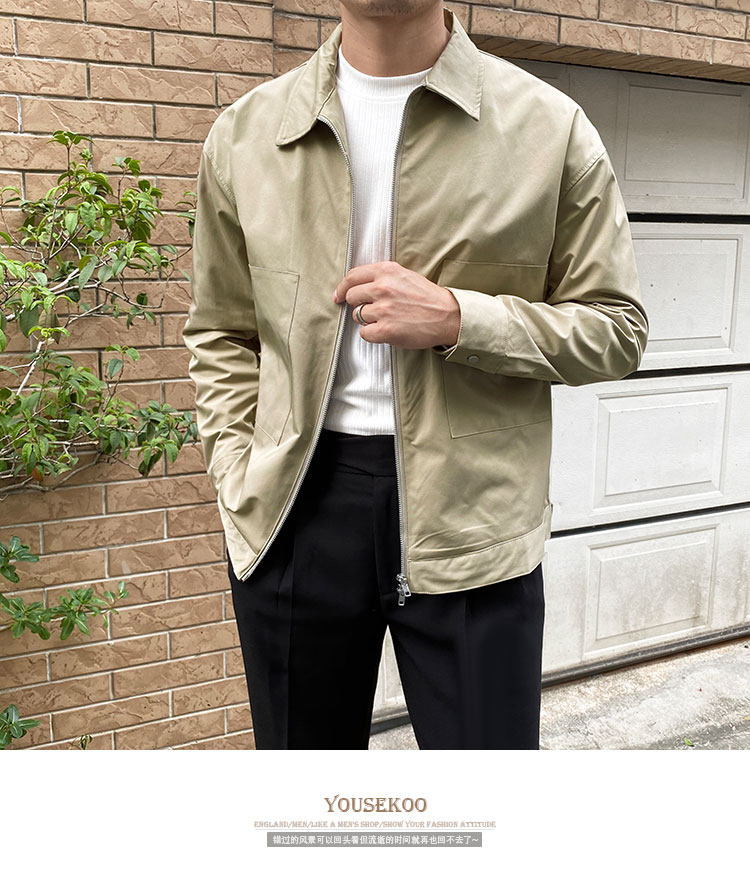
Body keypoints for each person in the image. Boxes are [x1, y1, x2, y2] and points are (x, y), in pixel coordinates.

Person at [182, 1, 648, 749]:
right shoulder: (246, 133)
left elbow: (616, 329)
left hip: (475, 513)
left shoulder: (548, 127)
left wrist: (460, 318)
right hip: (292, 507)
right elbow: (221, 329)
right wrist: (237, 468)